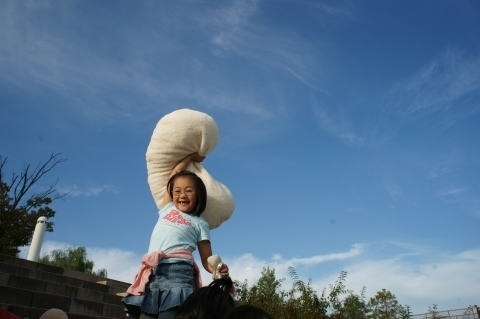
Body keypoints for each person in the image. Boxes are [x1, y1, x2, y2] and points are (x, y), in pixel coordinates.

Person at [123, 153, 229, 319]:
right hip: (154, 273)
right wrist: (189, 159)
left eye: (188, 191)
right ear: (172, 194)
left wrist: (217, 269)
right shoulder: (167, 208)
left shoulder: (200, 223)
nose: (182, 195)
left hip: (180, 275)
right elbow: (174, 174)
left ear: (198, 195)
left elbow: (206, 259)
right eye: (177, 191)